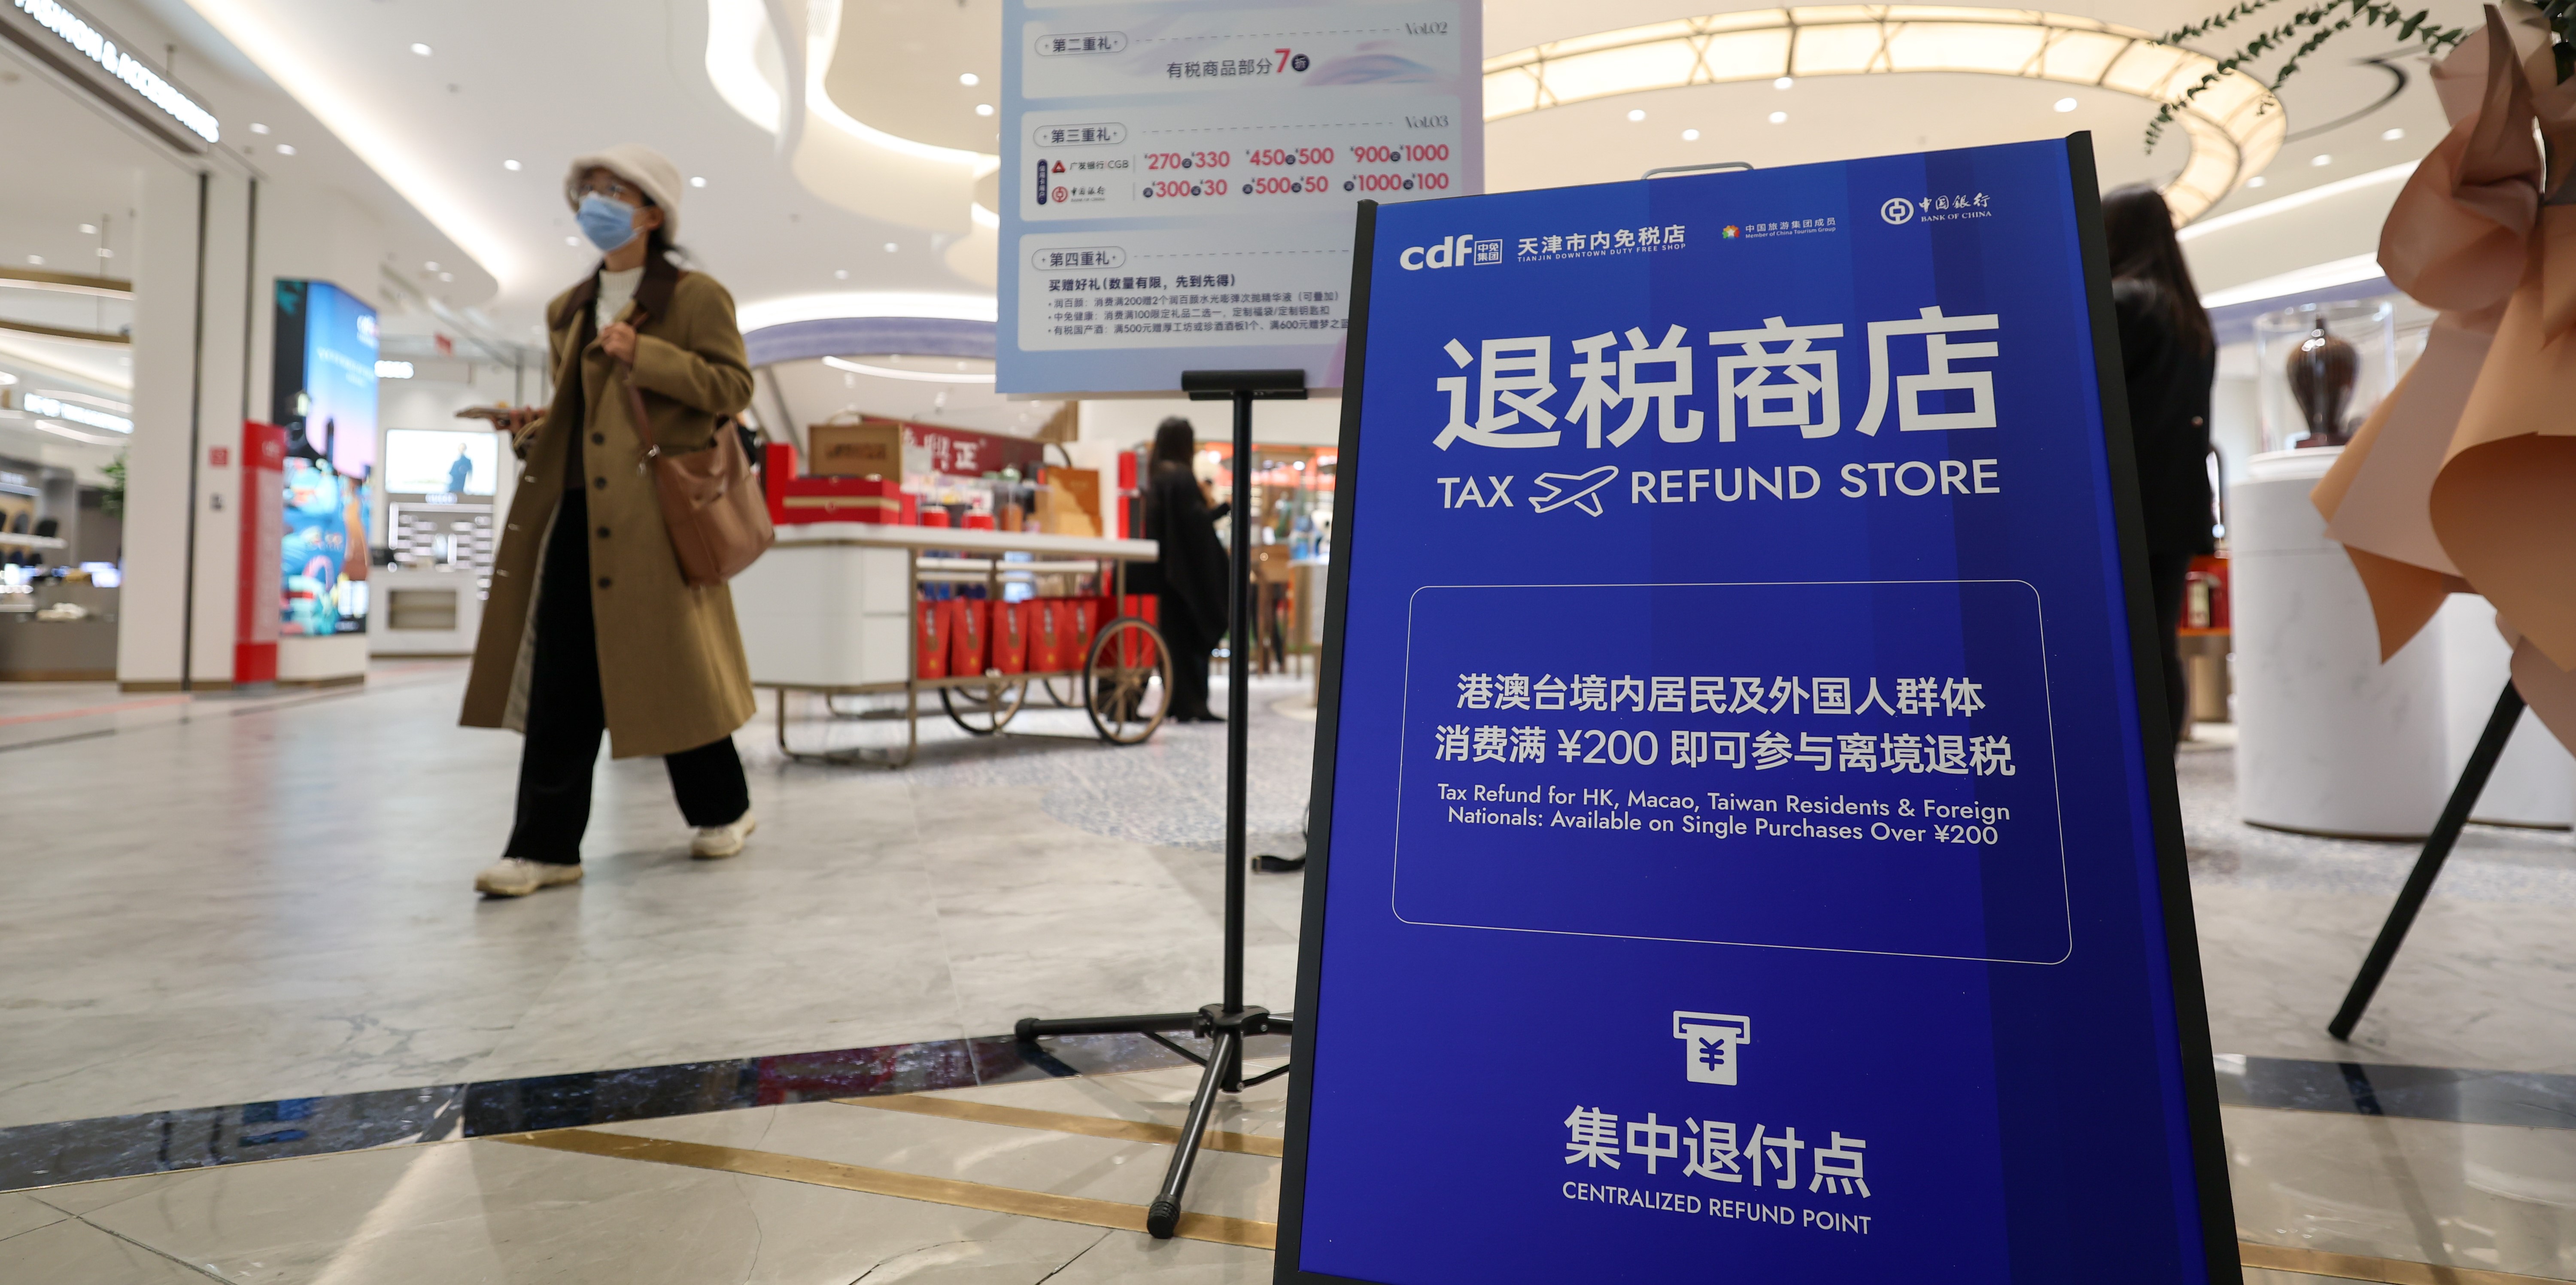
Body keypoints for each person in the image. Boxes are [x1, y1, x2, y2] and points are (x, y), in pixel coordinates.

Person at [459, 145, 759, 897]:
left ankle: (724, 807)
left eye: (613, 190)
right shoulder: (567, 307)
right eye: (588, 188)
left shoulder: (695, 297)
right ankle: (545, 847)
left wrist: (647, 354)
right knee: (562, 680)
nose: (595, 200)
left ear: (652, 213)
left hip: (657, 514)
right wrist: (533, 429)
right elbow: (585, 414)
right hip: (577, 511)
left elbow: (732, 387)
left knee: (675, 669)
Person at [2103, 183, 2217, 747]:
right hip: (2178, 507)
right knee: (2156, 643)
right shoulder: (2189, 318)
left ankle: (2124, 766)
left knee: (2113, 643)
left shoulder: (2121, 304)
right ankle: (2158, 772)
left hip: (2124, 505)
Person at [1143, 416, 1230, 723]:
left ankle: (1178, 702)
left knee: (1172, 643)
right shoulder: (1181, 477)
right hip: (1184, 577)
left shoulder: (1156, 475)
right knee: (1189, 640)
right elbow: (1194, 527)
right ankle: (1192, 704)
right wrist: (1222, 509)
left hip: (1162, 575)